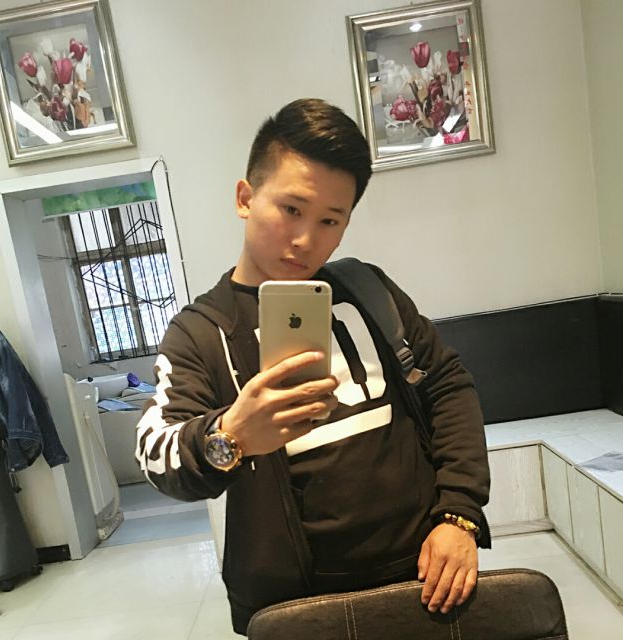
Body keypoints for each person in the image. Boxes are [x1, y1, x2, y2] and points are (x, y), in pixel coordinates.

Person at [135, 98, 490, 636]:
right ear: (245, 198)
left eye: (330, 220)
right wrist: (230, 436)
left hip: (426, 579)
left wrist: (459, 515)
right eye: (291, 209)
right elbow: (156, 455)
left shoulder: (368, 289)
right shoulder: (201, 332)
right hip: (297, 606)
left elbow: (447, 385)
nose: (305, 239)